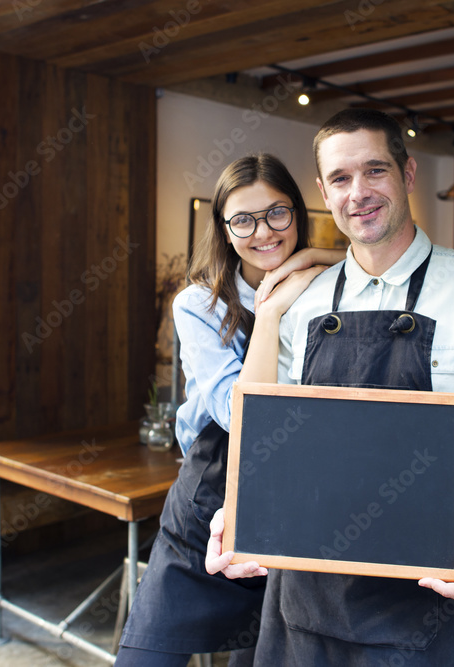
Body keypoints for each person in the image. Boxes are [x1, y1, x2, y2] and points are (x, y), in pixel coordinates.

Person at [206, 109, 454, 665]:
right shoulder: (305, 301)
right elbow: (269, 433)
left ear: (408, 173)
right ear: (324, 190)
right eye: (341, 179)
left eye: (375, 171)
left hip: (431, 591)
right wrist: (240, 512)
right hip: (307, 589)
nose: (359, 193)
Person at [115, 154, 343, 666]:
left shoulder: (326, 290)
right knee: (145, 654)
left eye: (276, 214)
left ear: (298, 214)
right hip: (211, 488)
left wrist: (310, 263)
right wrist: (271, 308)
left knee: (263, 652)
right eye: (243, 219)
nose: (262, 231)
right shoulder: (199, 304)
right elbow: (239, 415)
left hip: (291, 498)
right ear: (223, 228)